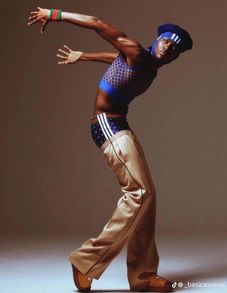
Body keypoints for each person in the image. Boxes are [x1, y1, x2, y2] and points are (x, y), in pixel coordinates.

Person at [27, 6, 193, 292]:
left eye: (175, 49)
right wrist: (53, 14)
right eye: (167, 41)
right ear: (158, 40)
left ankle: (142, 276)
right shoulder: (138, 52)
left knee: (148, 198)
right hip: (106, 124)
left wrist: (84, 57)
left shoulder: (148, 67)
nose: (169, 48)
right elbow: (96, 23)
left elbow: (114, 59)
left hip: (120, 123)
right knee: (139, 193)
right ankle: (85, 261)